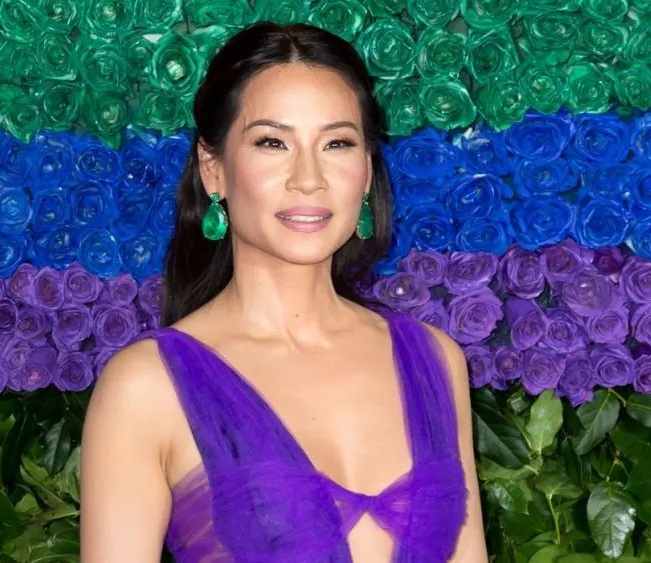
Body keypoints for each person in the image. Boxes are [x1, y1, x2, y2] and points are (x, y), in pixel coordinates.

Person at [80, 21, 487, 562]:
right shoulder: (146, 388)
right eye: (272, 142)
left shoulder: (436, 360)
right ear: (213, 168)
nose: (308, 177)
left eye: (337, 143)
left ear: (366, 171)